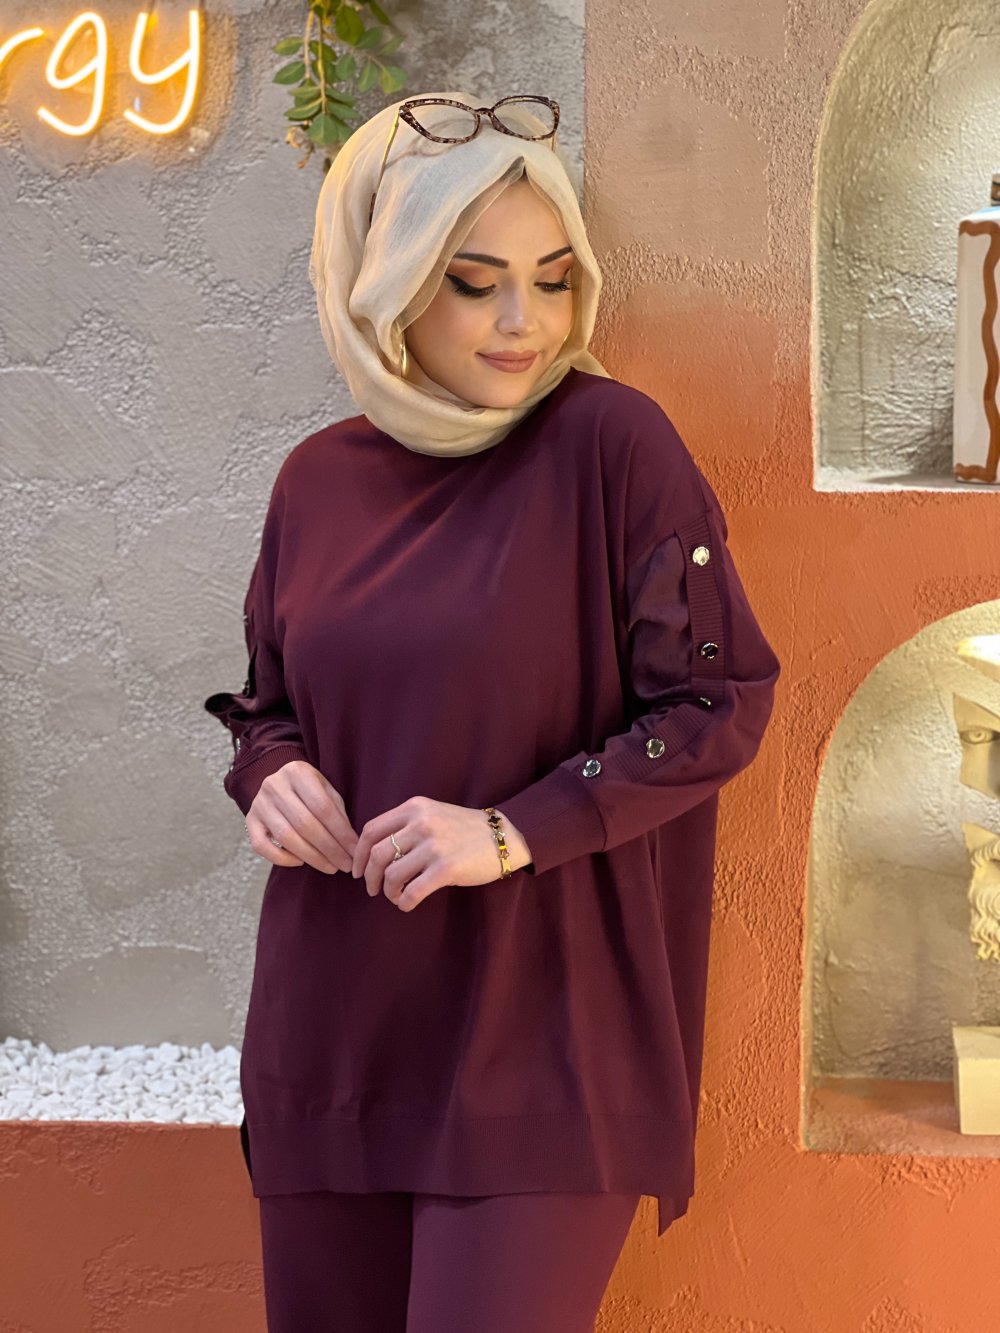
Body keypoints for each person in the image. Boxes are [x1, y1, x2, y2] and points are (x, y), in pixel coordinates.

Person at [204, 91, 781, 1333]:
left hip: (547, 1037)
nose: (528, 322)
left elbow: (718, 699)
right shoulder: (315, 482)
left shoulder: (612, 446)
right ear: (388, 286)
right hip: (334, 1031)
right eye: (475, 283)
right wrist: (273, 776)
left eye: (554, 278)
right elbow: (267, 705)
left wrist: (511, 830)